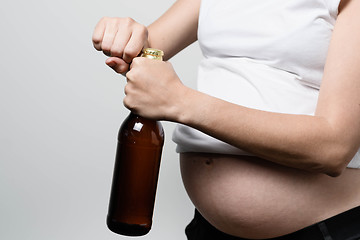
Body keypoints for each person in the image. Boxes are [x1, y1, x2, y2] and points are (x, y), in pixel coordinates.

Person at [92, 0, 360, 239]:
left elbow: (333, 148)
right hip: (209, 229)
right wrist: (124, 34)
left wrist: (182, 102)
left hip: (323, 230)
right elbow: (146, 50)